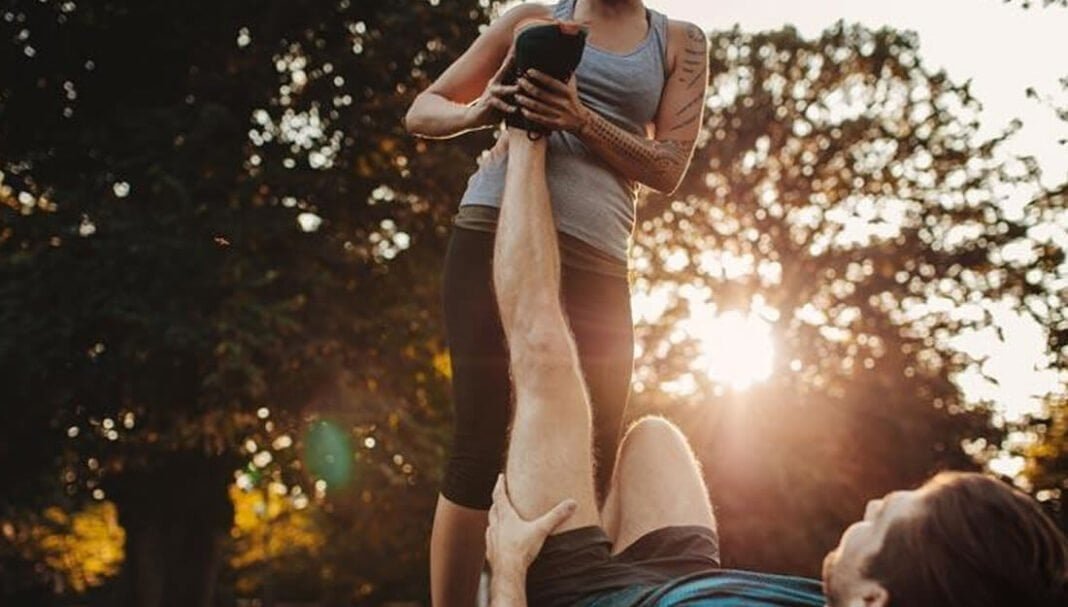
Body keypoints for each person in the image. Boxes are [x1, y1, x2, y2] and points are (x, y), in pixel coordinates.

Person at [482, 112, 1068, 606]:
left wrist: (507, 575)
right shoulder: (887, 594)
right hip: (684, 586)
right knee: (655, 439)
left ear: (872, 599)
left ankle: (526, 133)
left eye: (882, 517)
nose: (869, 504)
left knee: (545, 353)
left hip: (591, 595)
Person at [404, 1, 710, 603]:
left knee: (592, 450)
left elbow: (670, 167)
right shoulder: (533, 18)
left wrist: (579, 119)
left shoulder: (679, 42)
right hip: (496, 227)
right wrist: (482, 109)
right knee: (478, 439)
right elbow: (422, 109)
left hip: (598, 255)